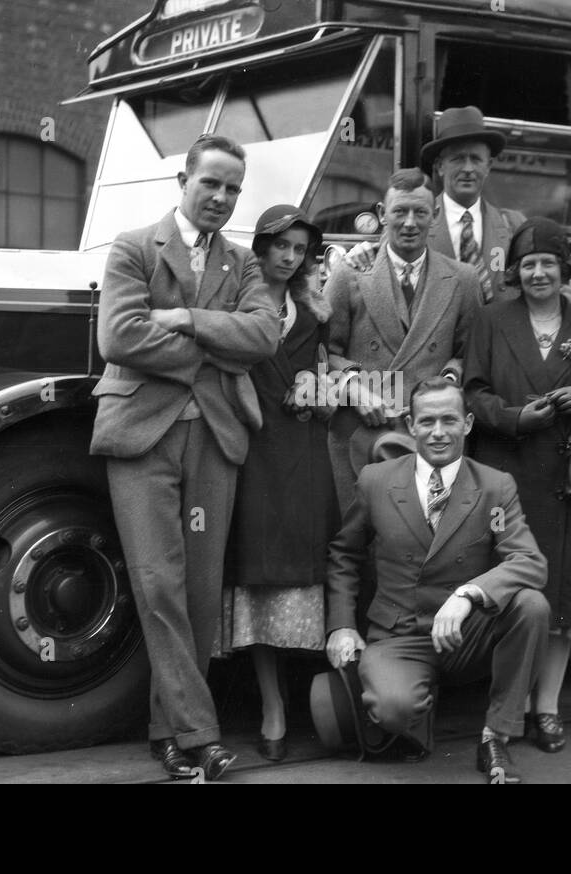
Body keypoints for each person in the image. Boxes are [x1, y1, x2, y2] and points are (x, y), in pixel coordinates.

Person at [89, 134, 280, 781]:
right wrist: (212, 348)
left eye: (233, 188)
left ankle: (168, 735)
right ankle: (200, 734)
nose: (222, 198)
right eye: (212, 184)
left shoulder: (243, 263)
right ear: (183, 180)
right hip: (143, 437)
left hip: (215, 440)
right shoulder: (134, 246)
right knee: (156, 582)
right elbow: (119, 334)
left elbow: (264, 333)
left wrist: (186, 320)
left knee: (198, 592)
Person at [325, 377, 550, 783]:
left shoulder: (494, 488)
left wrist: (468, 595)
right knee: (392, 710)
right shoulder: (376, 481)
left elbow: (528, 559)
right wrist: (341, 625)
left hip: (466, 635)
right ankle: (413, 701)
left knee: (532, 606)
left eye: (449, 420)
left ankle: (495, 735)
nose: (438, 432)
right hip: (400, 635)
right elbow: (345, 553)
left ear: (467, 423)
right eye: (427, 421)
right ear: (411, 425)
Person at [463, 217, 571, 753]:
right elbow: (473, 392)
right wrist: (512, 418)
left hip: (570, 486)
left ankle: (548, 708)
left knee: (560, 605)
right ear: (515, 271)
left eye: (547, 265)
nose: (537, 273)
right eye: (528, 264)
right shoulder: (490, 321)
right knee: (518, 599)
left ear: (564, 271)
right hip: (510, 477)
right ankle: (508, 706)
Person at [216, 205, 339, 763]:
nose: (290, 257)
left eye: (299, 249)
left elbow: (324, 366)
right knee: (261, 576)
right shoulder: (238, 301)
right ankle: (272, 708)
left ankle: (312, 700)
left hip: (304, 452)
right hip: (253, 451)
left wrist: (314, 381)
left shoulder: (312, 311)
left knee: (303, 573)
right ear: (260, 249)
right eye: (280, 246)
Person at [323, 167, 481, 512]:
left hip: (431, 434)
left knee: (423, 539)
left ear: (435, 215)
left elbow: (471, 353)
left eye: (420, 212)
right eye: (399, 211)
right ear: (382, 214)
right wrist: (353, 385)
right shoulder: (349, 272)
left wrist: (447, 384)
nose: (409, 223)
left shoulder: (463, 280)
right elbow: (322, 351)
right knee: (359, 541)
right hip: (363, 433)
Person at [343, 106, 526, 304]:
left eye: (475, 159)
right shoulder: (411, 222)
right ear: (439, 166)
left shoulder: (512, 224)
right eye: (457, 159)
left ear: (488, 166)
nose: (467, 168)